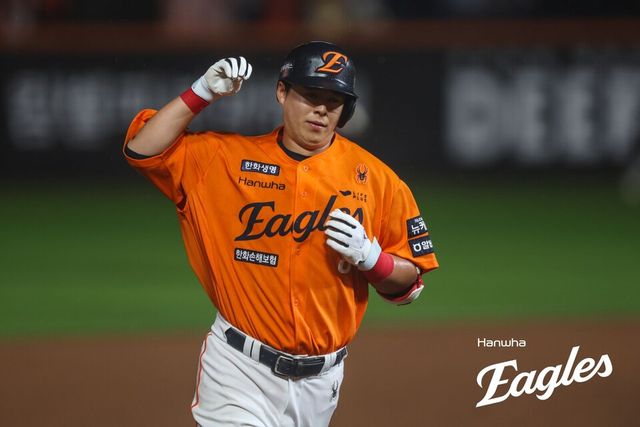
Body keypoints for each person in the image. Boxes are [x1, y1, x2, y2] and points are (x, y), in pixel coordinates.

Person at [123, 41, 439, 427]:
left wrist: (373, 260)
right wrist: (201, 92)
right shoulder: (224, 161)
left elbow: (409, 285)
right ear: (281, 92)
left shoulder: (378, 180)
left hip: (322, 385)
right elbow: (142, 149)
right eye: (310, 95)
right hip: (238, 369)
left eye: (334, 101)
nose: (321, 109)